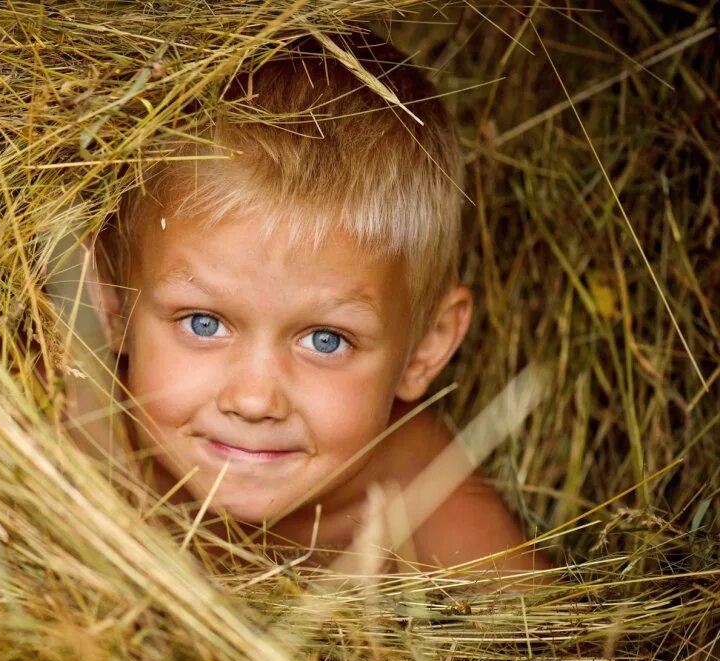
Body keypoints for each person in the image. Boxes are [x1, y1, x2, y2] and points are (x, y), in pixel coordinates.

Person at [69, 30, 549, 576]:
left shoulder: (419, 501)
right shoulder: (63, 425)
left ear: (425, 349)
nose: (254, 400)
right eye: (203, 324)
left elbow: (559, 654)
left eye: (326, 340)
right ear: (108, 303)